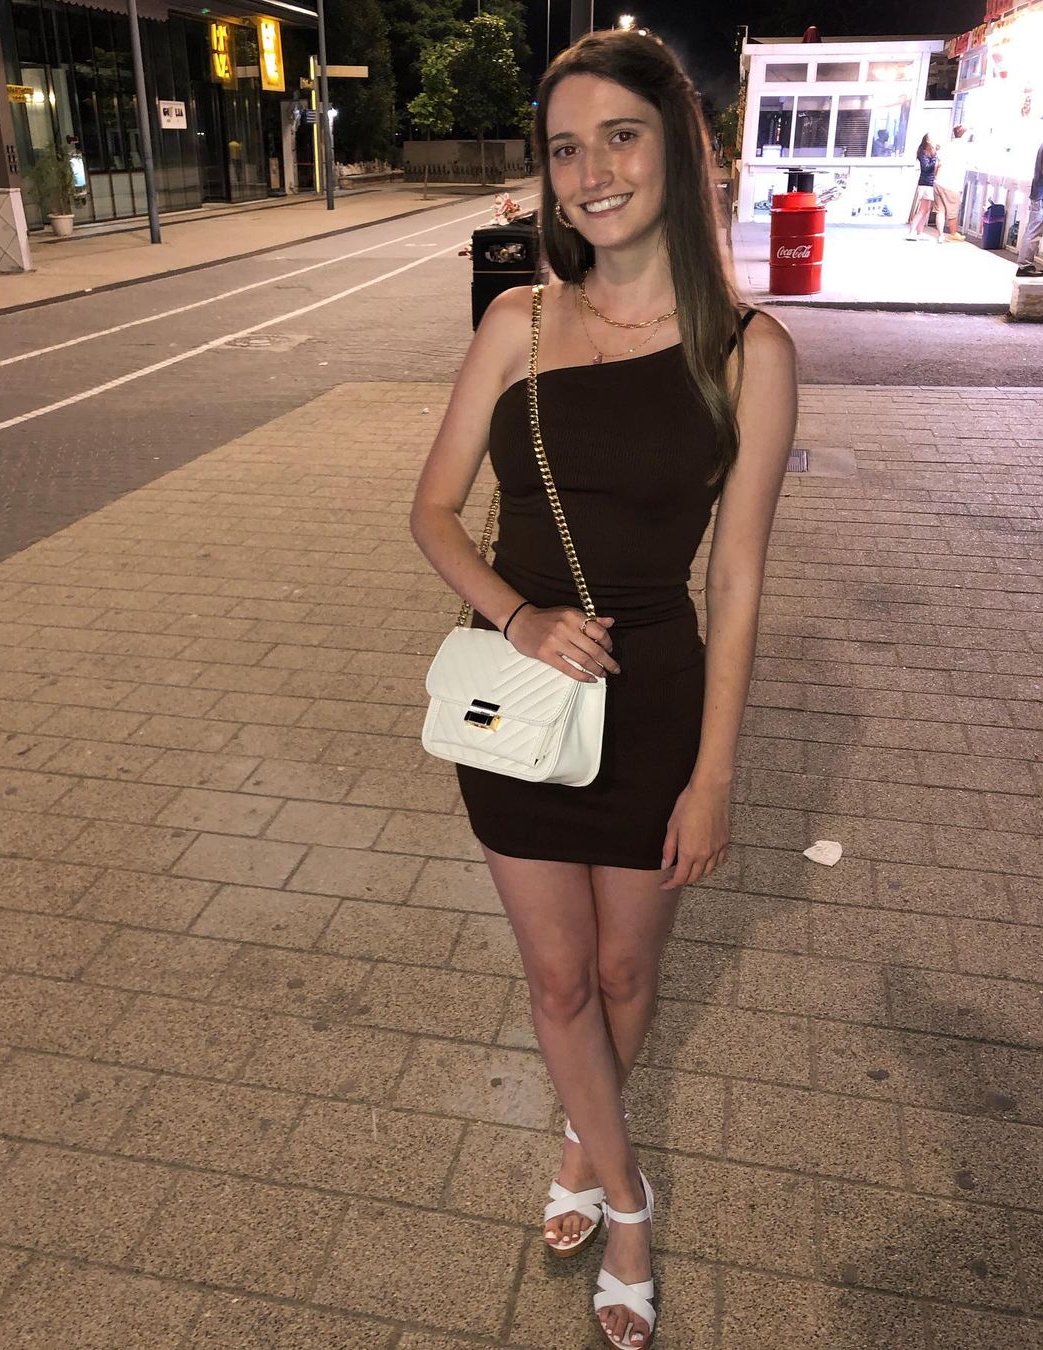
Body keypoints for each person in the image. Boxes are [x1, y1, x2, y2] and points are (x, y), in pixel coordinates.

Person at [410, 28, 797, 1350]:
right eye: (566, 148)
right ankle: (628, 1199)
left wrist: (715, 775)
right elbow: (432, 510)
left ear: (678, 149)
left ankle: (585, 1136)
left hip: (655, 704)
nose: (591, 171)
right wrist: (517, 615)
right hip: (519, 704)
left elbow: (737, 577)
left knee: (629, 967)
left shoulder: (748, 350)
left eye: (619, 137)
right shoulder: (516, 321)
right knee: (562, 979)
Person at [934, 124, 970, 241]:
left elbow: (938, 160)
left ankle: (940, 235)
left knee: (940, 211)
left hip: (939, 181)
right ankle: (953, 234)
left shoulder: (946, 146)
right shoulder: (965, 148)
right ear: (964, 135)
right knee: (953, 211)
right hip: (952, 184)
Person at [1016, 138, 1043, 277]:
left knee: (1034, 230)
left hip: (1039, 193)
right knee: (1034, 231)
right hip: (1041, 196)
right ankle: (1025, 265)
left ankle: (1025, 265)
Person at [907, 134, 938, 239]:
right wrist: (935, 159)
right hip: (926, 183)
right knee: (923, 209)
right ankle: (911, 232)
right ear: (928, 140)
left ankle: (919, 232)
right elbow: (926, 167)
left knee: (926, 209)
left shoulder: (929, 152)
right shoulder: (923, 152)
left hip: (929, 183)